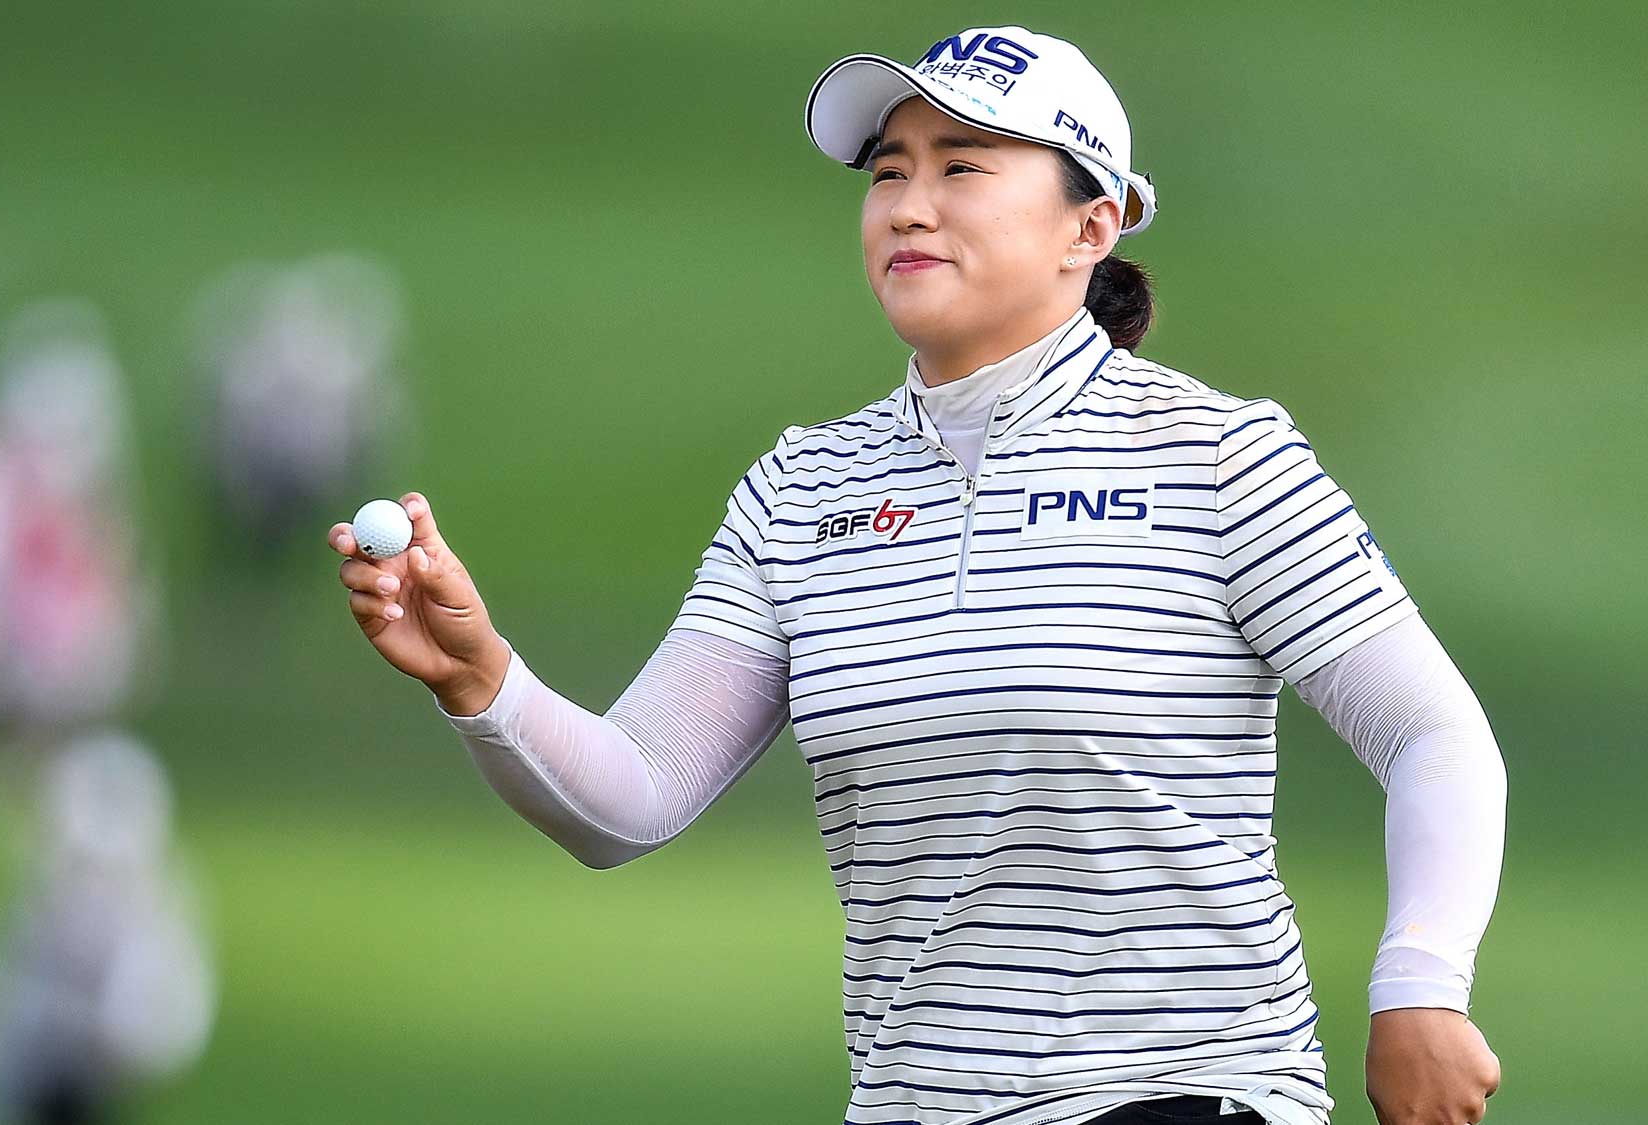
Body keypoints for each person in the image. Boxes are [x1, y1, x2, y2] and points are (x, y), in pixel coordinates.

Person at [326, 24, 1506, 1125]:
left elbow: (1433, 737)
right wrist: (482, 679)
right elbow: (625, 801)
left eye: (963, 168)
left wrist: (1418, 985)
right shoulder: (802, 489)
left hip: (1179, 1095)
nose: (908, 206)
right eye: (889, 173)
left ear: (1087, 229)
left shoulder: (1214, 455)